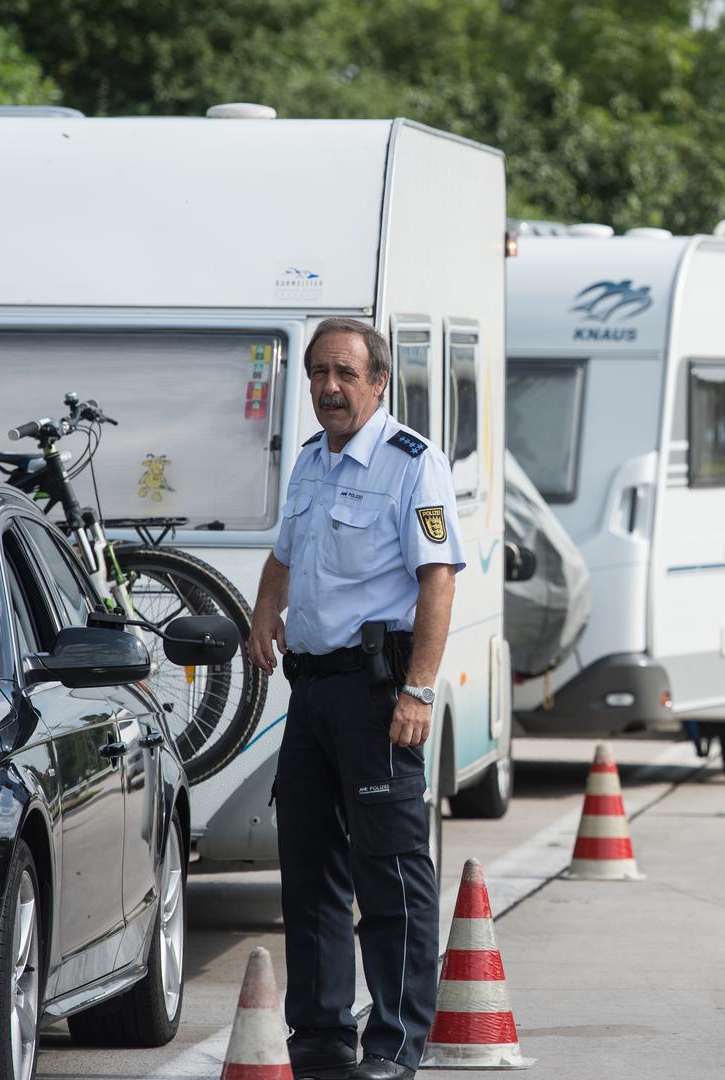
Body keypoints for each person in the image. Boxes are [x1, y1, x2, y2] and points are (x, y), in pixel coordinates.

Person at [249, 318, 465, 1080]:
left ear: (378, 382)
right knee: (308, 870)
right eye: (318, 373)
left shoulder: (413, 464)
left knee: (390, 873)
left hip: (377, 695)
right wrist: (264, 610)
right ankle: (319, 1035)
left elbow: (438, 579)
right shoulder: (312, 460)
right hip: (311, 693)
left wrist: (418, 690)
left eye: (345, 373)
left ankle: (395, 1043)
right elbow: (285, 552)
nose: (329, 387)